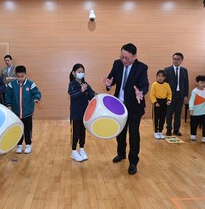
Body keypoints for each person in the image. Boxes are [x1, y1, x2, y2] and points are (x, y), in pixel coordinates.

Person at [102, 43, 149, 175]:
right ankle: (121, 154)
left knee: (133, 135)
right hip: (119, 106)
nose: (124, 60)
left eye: (127, 58)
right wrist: (108, 85)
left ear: (134, 57)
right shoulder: (117, 64)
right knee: (120, 133)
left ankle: (133, 162)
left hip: (134, 107)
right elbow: (111, 79)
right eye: (122, 57)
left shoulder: (142, 68)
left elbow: (145, 85)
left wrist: (141, 92)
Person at [5, 65, 41, 155]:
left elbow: (37, 92)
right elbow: (8, 95)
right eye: (18, 77)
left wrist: (36, 98)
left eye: (22, 76)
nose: (20, 78)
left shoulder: (31, 84)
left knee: (27, 129)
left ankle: (28, 144)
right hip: (16, 112)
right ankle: (19, 145)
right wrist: (8, 105)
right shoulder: (12, 85)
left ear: (26, 75)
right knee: (17, 129)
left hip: (27, 113)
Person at [68, 63, 96, 162]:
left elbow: (91, 95)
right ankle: (74, 151)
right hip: (75, 114)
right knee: (75, 133)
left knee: (82, 133)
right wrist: (81, 91)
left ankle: (82, 149)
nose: (81, 74)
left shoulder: (85, 84)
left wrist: (97, 96)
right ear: (74, 73)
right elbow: (73, 95)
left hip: (84, 114)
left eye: (82, 72)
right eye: (79, 72)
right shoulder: (72, 84)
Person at [165, 52, 189, 136]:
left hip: (180, 95)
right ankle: (168, 129)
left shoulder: (184, 70)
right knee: (169, 113)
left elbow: (186, 83)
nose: (176, 61)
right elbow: (165, 84)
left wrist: (186, 95)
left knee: (178, 114)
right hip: (170, 95)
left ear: (181, 60)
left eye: (178, 59)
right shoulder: (167, 70)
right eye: (174, 59)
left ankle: (176, 130)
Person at [150, 70, 172, 139]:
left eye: (162, 76)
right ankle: (156, 132)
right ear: (156, 76)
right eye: (159, 76)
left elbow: (169, 93)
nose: (160, 78)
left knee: (162, 118)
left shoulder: (167, 85)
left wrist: (169, 100)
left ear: (164, 77)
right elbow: (152, 95)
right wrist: (155, 102)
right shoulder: (154, 84)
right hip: (157, 102)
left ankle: (160, 131)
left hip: (164, 102)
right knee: (156, 118)